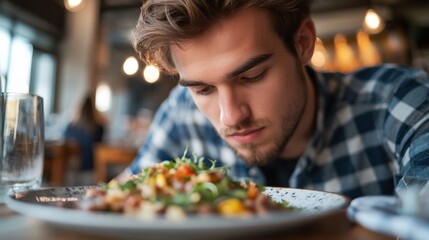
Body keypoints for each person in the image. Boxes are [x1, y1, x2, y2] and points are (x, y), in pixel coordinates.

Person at [121, 0, 429, 199]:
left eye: (252, 76)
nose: (231, 117)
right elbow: (120, 203)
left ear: (303, 44)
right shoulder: (181, 113)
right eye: (203, 90)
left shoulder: (398, 100)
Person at [65, 95, 105, 171]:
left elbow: (65, 142)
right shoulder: (99, 128)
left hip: (72, 166)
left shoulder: (70, 126)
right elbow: (99, 146)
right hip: (91, 165)